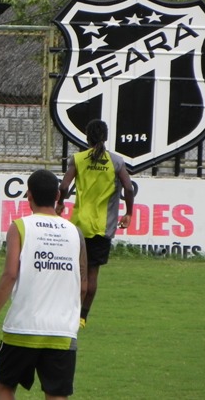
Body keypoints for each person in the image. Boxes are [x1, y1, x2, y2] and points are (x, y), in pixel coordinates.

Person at [0, 169, 88, 400]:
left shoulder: (20, 227)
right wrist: (70, 314)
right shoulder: (75, 232)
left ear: (28, 195)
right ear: (58, 197)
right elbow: (83, 285)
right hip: (61, 330)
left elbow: (10, 274)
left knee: (5, 386)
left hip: (22, 327)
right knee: (56, 394)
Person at [56, 119, 134, 329]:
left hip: (79, 225)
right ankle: (82, 316)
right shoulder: (115, 162)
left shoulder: (78, 159)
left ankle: (68, 310)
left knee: (75, 272)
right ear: (105, 137)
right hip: (102, 227)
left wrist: (60, 203)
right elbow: (129, 188)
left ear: (87, 137)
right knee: (92, 274)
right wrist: (128, 213)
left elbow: (63, 185)